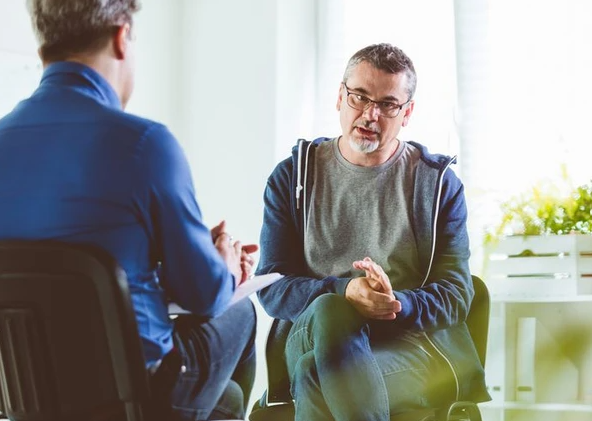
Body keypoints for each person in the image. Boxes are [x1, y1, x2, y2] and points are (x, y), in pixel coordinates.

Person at [0, 1, 257, 419]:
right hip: (132, 395)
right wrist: (224, 263)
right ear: (122, 37)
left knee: (224, 398)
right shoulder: (144, 145)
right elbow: (204, 295)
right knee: (239, 310)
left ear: (45, 47)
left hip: (27, 394)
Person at [256, 43, 490, 421]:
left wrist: (395, 303)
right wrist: (344, 291)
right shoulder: (294, 178)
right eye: (359, 97)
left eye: (387, 104)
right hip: (310, 333)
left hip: (406, 348)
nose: (370, 114)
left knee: (315, 375)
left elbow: (457, 294)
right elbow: (271, 285)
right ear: (340, 97)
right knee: (332, 310)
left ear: (407, 113)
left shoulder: (437, 185)